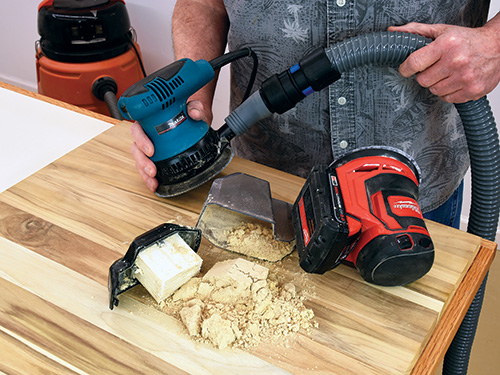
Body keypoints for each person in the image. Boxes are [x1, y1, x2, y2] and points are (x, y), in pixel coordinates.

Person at [131, 0, 500, 229]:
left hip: (411, 183)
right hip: (267, 178)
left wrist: (493, 45)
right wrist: (184, 109)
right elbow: (204, 3)